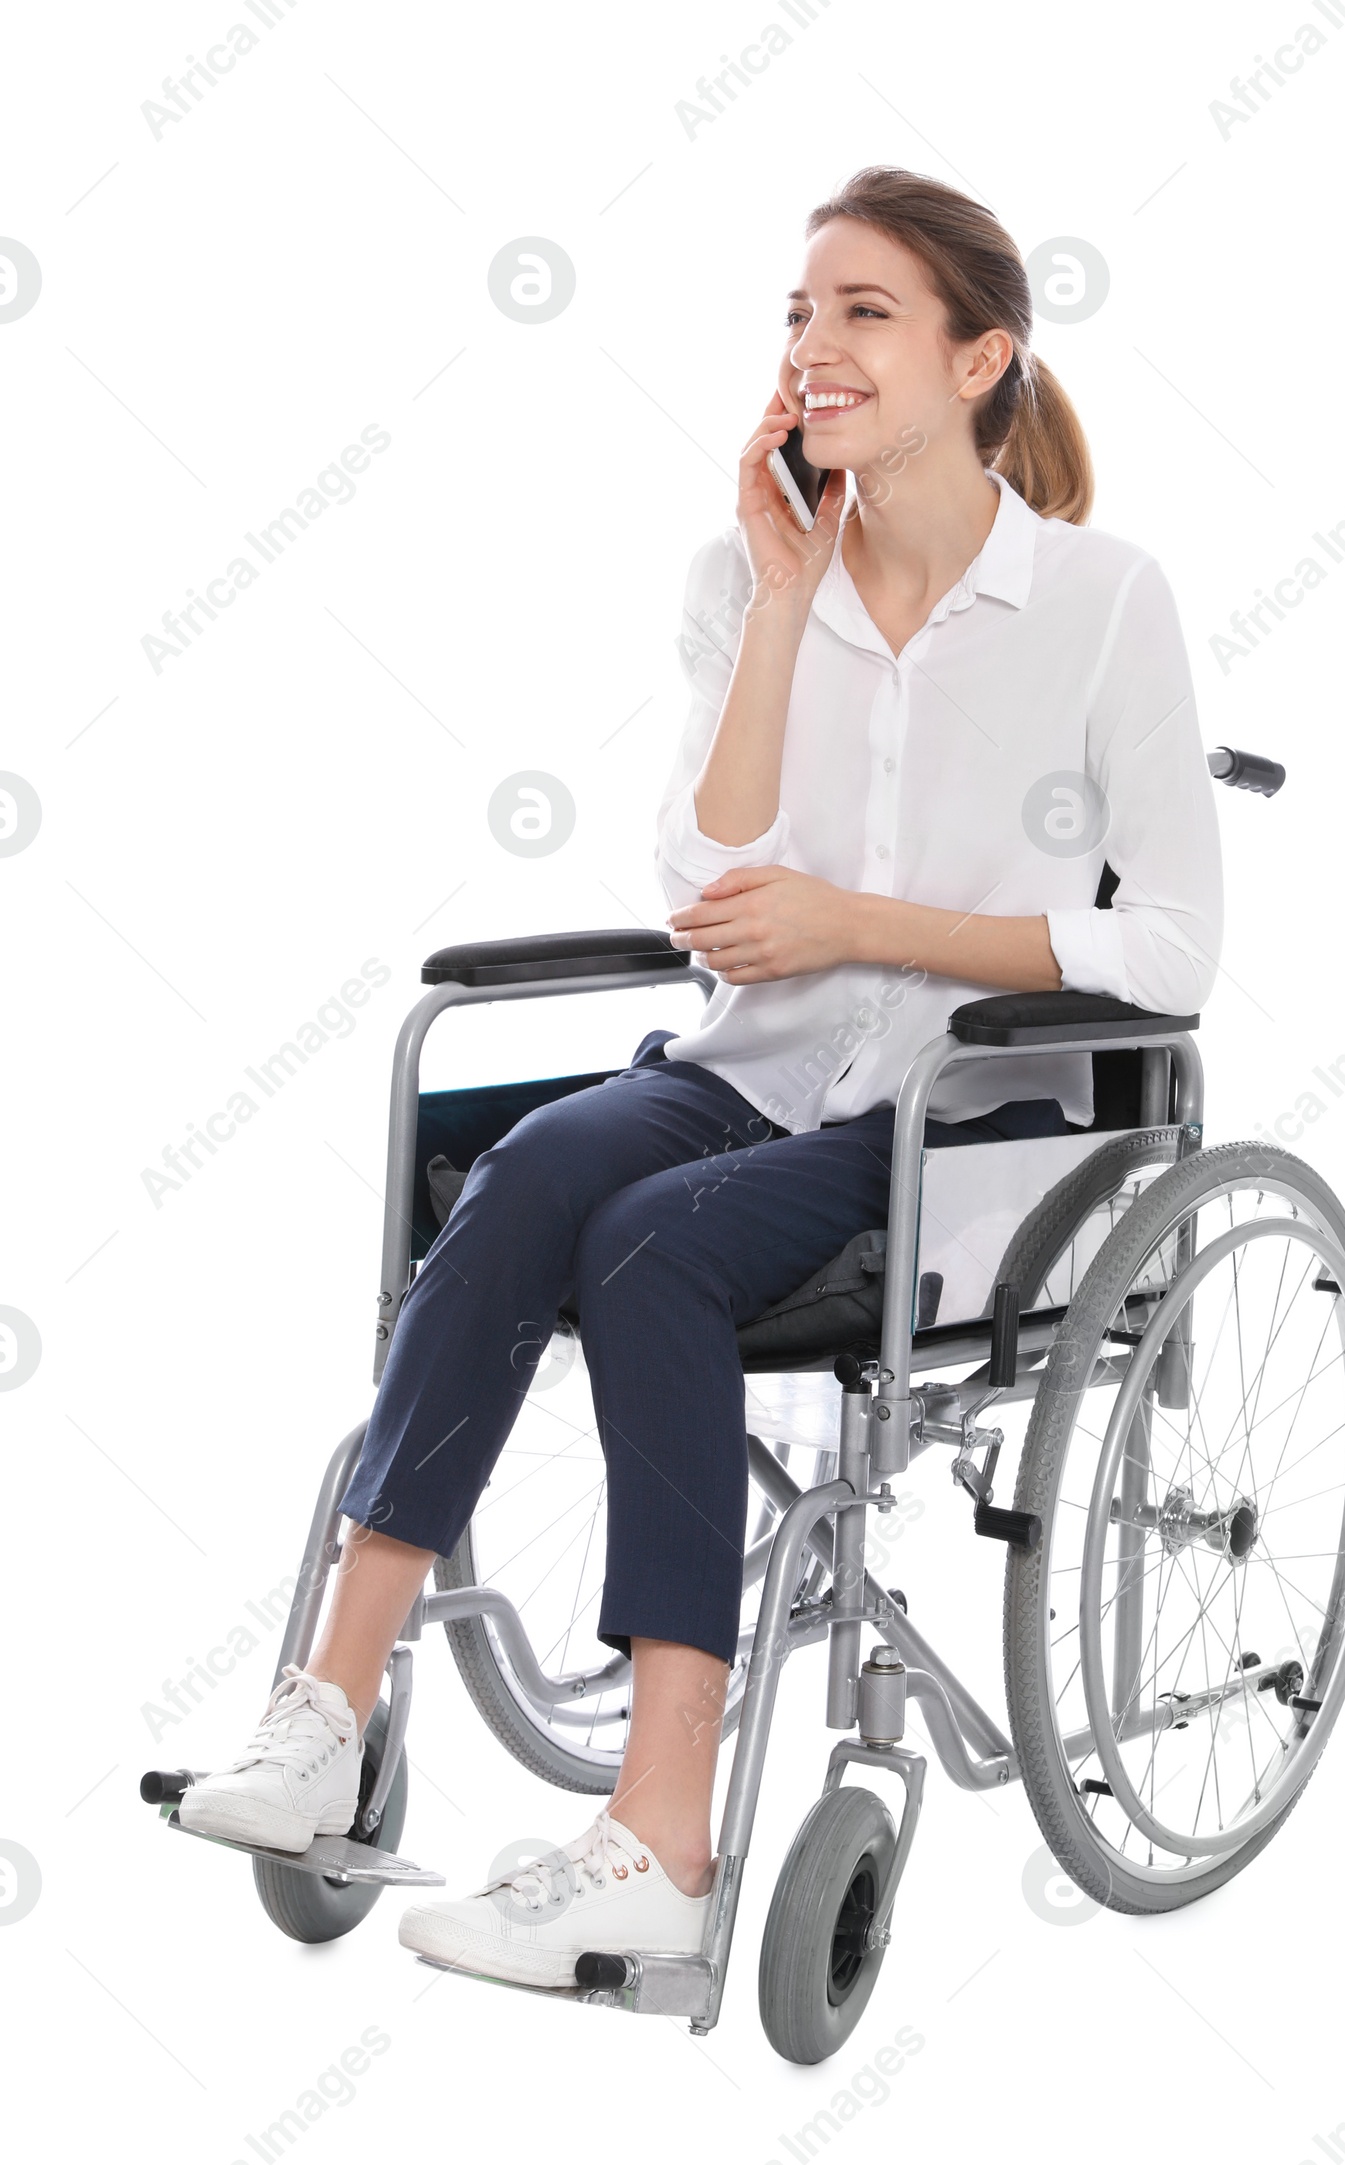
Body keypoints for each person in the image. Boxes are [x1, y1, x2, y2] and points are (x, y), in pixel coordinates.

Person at [180, 166, 1222, 1989]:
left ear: (982, 357)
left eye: (864, 314)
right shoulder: (740, 576)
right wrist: (776, 597)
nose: (814, 346)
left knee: (654, 1242)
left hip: (958, 1128)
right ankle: (330, 1705)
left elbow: (1176, 952)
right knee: (518, 1170)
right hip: (752, 1063)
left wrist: (860, 918)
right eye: (799, 314)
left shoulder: (1101, 604)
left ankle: (662, 1836)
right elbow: (706, 873)